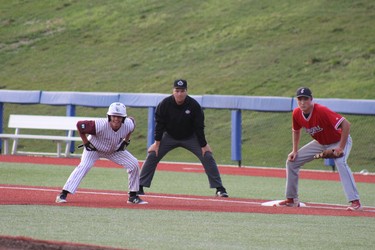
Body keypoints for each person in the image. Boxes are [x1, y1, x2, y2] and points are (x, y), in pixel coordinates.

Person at [138, 79, 228, 197]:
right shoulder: (164, 104)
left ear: (186, 91)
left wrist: (204, 145)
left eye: (182, 91)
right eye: (177, 90)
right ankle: (139, 186)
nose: (179, 93)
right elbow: (159, 125)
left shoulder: (194, 105)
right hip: (169, 136)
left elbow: (199, 127)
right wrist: (157, 143)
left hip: (190, 137)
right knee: (152, 154)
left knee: (207, 156)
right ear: (173, 91)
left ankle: (219, 188)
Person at [276, 87, 361, 210]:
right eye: (300, 99)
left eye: (305, 99)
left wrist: (340, 147)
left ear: (311, 99)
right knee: (292, 162)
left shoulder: (321, 110)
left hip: (339, 140)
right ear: (296, 100)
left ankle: (355, 202)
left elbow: (346, 124)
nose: (302, 102)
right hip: (321, 143)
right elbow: (296, 130)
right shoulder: (296, 113)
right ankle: (292, 199)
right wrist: (294, 150)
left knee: (340, 162)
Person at [56, 102, 147, 204]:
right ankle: (63, 193)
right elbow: (80, 126)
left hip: (113, 150)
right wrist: (86, 142)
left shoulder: (128, 124)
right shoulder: (99, 124)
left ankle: (133, 196)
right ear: (109, 116)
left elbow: (132, 124)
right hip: (94, 149)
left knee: (133, 164)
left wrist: (126, 141)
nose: (116, 119)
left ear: (123, 118)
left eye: (119, 117)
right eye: (114, 116)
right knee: (84, 167)